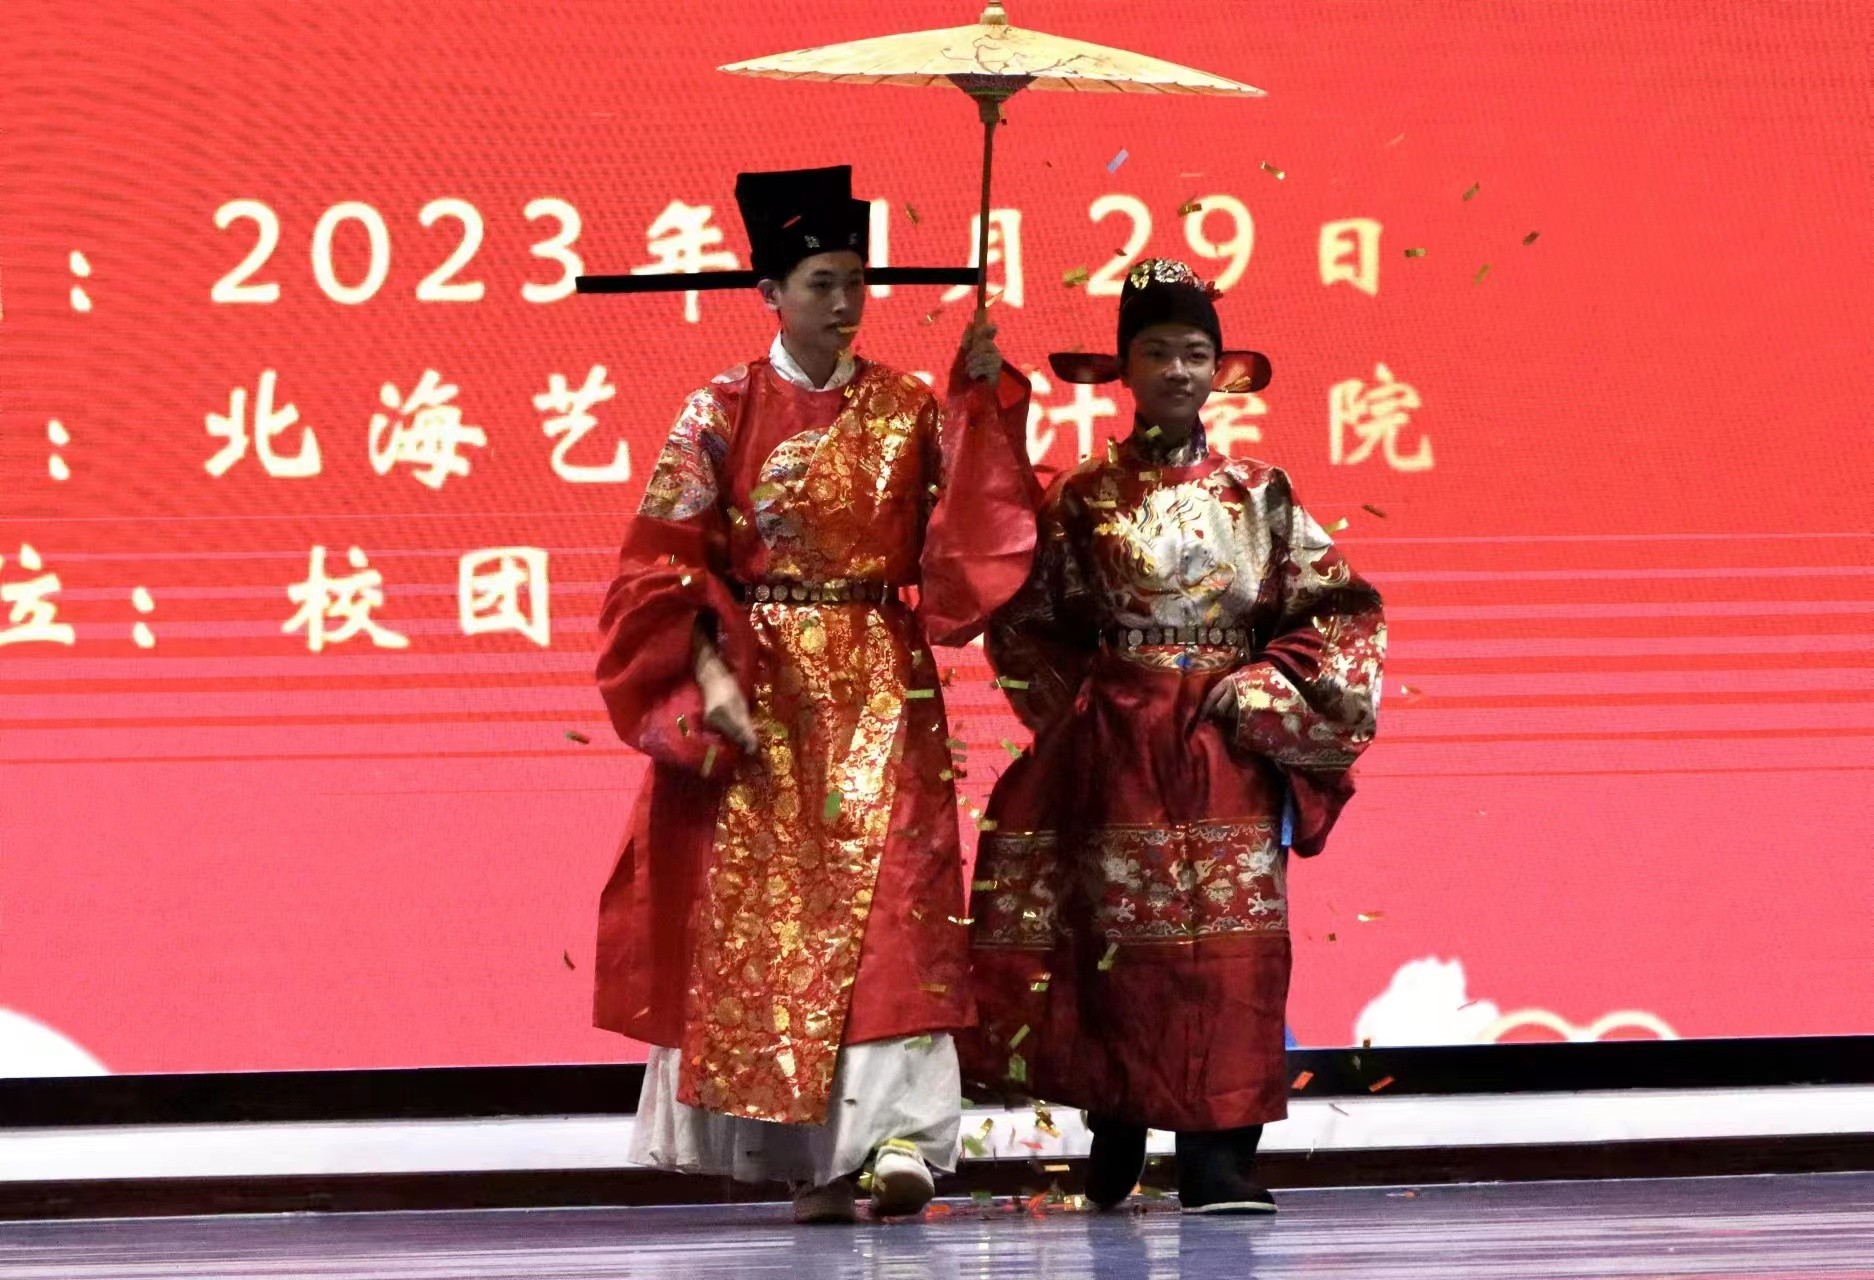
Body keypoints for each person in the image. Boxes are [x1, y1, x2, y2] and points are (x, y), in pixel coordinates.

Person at [592, 165, 1036, 1223]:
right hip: (769, 684)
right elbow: (661, 565)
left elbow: (964, 543)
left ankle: (900, 1135)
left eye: (853, 282)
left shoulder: (906, 406)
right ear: (771, 292)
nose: (843, 303)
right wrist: (708, 673)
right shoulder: (720, 409)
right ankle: (814, 1159)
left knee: (898, 901)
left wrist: (981, 409)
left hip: (881, 675)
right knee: (776, 923)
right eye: (821, 283)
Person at [959, 258, 1385, 1214]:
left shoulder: (1260, 493)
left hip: (1226, 745)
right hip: (1119, 744)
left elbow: (1340, 610)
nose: (1179, 371)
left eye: (1195, 353)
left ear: (1220, 369)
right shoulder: (1082, 494)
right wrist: (1082, 714)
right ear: (1125, 367)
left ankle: (1220, 1158)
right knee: (1122, 943)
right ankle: (1118, 1117)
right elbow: (1028, 620)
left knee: (1234, 951)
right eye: (1157, 352)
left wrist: (1264, 690)